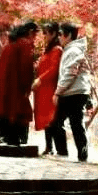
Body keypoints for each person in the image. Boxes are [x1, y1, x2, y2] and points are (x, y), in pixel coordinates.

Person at [0, 20, 38, 146]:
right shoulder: (25, 44)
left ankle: (2, 136)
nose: (35, 38)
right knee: (17, 110)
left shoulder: (9, 45)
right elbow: (26, 67)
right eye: (35, 34)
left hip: (3, 85)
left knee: (3, 108)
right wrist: (27, 86)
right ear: (30, 32)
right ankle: (16, 138)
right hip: (16, 86)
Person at [50, 22, 91, 162]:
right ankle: (67, 153)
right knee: (62, 123)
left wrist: (57, 92)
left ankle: (77, 154)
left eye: (61, 34)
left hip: (74, 93)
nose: (59, 37)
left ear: (68, 36)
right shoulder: (70, 50)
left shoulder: (73, 51)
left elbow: (70, 73)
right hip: (73, 92)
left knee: (72, 124)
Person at [31, 22, 63, 155]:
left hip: (49, 88)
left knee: (51, 118)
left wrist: (40, 79)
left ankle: (55, 148)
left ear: (54, 34)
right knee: (46, 118)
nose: (44, 35)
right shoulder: (48, 49)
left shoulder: (57, 49)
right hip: (43, 89)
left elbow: (54, 69)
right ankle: (49, 146)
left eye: (46, 33)